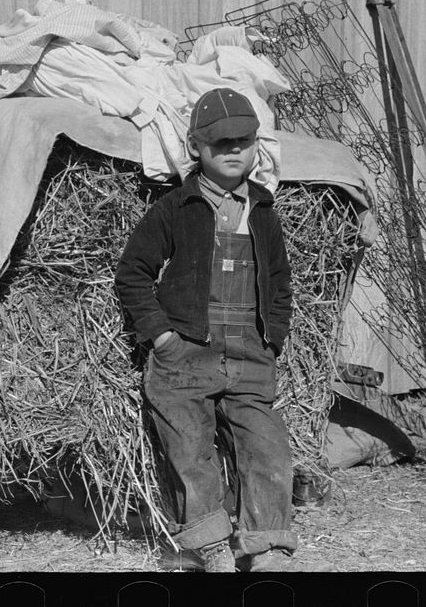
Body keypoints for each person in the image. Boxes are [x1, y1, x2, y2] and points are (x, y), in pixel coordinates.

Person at [115, 87, 309, 572]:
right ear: (196, 148)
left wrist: (274, 337)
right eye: (220, 143)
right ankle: (206, 547)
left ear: (255, 147)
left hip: (249, 352)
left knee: (268, 450)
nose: (233, 151)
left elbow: (281, 281)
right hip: (186, 355)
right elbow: (133, 273)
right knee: (188, 447)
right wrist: (161, 336)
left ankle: (265, 547)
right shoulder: (174, 209)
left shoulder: (263, 211)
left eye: (242, 141)